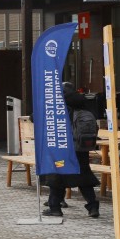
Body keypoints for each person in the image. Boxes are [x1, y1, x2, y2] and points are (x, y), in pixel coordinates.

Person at [43, 82, 100, 218]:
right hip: (80, 148)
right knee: (84, 179)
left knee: (56, 178)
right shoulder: (82, 103)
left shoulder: (58, 104)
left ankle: (55, 207)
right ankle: (93, 207)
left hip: (62, 149)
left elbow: (40, 119)